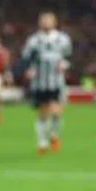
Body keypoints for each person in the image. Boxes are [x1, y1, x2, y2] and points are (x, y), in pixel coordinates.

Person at [21, 12, 71, 154]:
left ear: (54, 22)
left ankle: (54, 136)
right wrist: (29, 69)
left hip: (56, 81)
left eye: (49, 20)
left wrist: (65, 65)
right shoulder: (34, 40)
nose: (46, 23)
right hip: (40, 82)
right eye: (44, 20)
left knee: (56, 110)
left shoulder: (63, 39)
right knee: (42, 112)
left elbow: (68, 56)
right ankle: (42, 142)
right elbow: (26, 57)